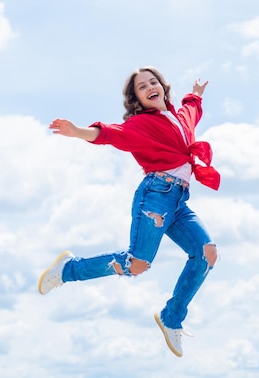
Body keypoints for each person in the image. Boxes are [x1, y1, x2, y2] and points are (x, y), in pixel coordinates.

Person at [38, 66, 220, 357]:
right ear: (137, 98)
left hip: (178, 202)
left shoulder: (180, 116)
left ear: (162, 86)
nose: (150, 87)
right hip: (156, 197)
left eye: (153, 82)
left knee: (207, 253)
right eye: (142, 87)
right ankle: (68, 269)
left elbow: (191, 109)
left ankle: (171, 317)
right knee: (137, 264)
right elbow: (111, 133)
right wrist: (77, 132)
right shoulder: (141, 125)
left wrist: (196, 94)